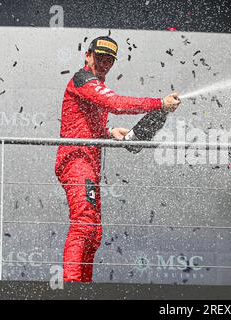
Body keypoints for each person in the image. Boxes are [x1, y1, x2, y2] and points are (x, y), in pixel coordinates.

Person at [55, 36, 181, 282]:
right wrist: (159, 103)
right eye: (100, 57)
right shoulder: (83, 80)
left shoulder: (94, 85)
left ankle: (84, 285)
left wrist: (109, 133)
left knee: (94, 232)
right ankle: (71, 286)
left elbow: (80, 124)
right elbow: (114, 103)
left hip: (88, 163)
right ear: (88, 55)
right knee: (83, 224)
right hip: (76, 161)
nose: (104, 63)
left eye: (109, 60)